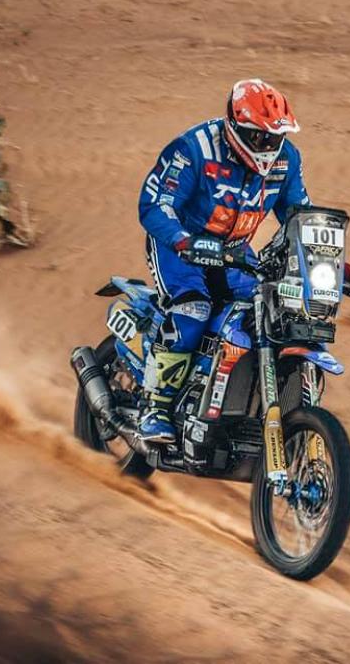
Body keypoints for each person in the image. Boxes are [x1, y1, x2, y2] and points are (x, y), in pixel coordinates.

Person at [136, 79, 310, 441]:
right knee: (193, 310)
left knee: (266, 310)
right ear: (235, 127)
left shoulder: (287, 159)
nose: (268, 146)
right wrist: (183, 240)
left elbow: (299, 216)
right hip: (179, 247)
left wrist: (326, 260)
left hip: (233, 252)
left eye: (275, 137)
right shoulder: (194, 149)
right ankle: (155, 406)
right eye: (259, 137)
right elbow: (154, 205)